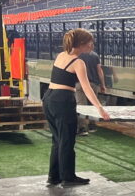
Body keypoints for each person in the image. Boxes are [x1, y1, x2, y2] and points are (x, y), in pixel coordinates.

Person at [43, 28, 110, 187]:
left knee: (57, 140)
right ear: (81, 44)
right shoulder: (78, 62)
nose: (92, 46)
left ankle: (54, 176)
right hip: (62, 100)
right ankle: (68, 177)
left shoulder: (61, 55)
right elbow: (87, 88)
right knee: (66, 140)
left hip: (49, 98)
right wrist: (100, 108)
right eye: (90, 43)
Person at [76, 41, 106, 136]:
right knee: (93, 105)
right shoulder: (95, 56)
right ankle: (92, 125)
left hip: (80, 84)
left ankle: (82, 128)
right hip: (94, 84)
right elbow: (99, 71)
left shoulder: (79, 56)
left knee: (82, 106)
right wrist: (103, 85)